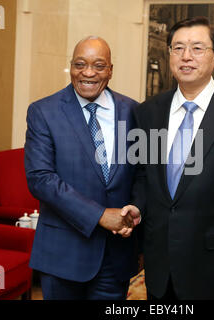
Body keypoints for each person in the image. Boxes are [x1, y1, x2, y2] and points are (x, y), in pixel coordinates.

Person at [122, 16, 214, 300]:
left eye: (197, 48)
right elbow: (145, 176)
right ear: (169, 55)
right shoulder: (148, 112)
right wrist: (137, 207)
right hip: (160, 262)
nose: (186, 57)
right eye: (178, 48)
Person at [24, 36, 140, 300]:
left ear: (110, 70)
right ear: (71, 67)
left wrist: (136, 209)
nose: (88, 72)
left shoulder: (133, 112)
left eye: (99, 65)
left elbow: (142, 173)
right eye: (80, 64)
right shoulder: (44, 111)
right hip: (63, 254)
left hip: (116, 255)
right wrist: (100, 215)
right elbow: (40, 179)